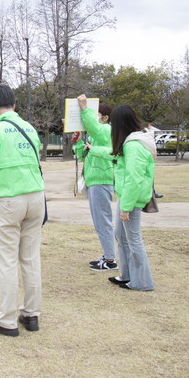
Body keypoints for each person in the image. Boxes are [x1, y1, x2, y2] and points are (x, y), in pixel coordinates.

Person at [0, 84, 45, 337]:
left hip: (7, 200)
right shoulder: (30, 128)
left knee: (7, 261)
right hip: (36, 197)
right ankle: (31, 313)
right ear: (14, 105)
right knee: (30, 257)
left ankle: (7, 320)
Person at [108, 105, 156, 292]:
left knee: (133, 239)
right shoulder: (133, 141)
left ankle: (142, 281)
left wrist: (126, 207)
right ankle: (127, 275)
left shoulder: (133, 145)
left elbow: (134, 178)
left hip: (132, 199)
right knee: (121, 235)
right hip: (127, 197)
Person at [72, 95, 117, 271]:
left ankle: (111, 259)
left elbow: (95, 129)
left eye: (96, 114)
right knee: (99, 220)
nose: (93, 118)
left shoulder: (106, 130)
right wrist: (78, 143)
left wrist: (84, 109)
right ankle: (107, 254)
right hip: (94, 180)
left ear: (105, 118)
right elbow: (82, 155)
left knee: (103, 220)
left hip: (102, 180)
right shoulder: (95, 136)